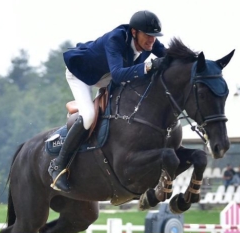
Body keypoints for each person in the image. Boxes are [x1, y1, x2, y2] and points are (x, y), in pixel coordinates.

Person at [49, 10, 167, 192]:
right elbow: (119, 75)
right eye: (148, 36)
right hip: (81, 74)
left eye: (154, 37)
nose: (152, 40)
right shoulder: (116, 39)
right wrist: (149, 65)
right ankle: (58, 165)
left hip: (107, 75)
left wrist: (194, 63)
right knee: (88, 116)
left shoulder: (149, 42)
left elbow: (170, 56)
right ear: (134, 32)